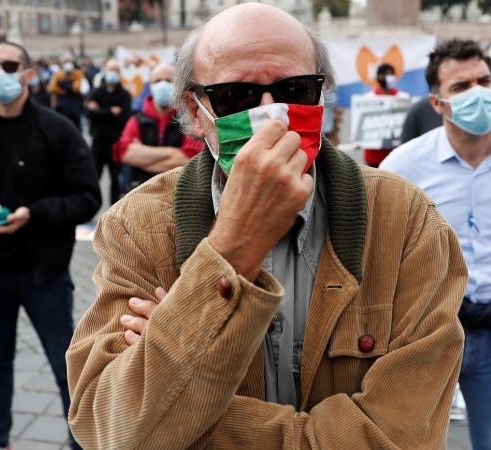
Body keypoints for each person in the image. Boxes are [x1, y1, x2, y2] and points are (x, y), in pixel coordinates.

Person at [66, 4, 468, 449]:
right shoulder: (137, 226)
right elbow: (107, 425)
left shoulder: (407, 219)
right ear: (195, 113)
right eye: (236, 96)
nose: (270, 113)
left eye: (295, 89)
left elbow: (396, 438)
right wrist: (233, 247)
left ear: (321, 97)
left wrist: (181, 388)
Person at [381, 39, 491, 449]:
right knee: (410, 441)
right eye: (461, 86)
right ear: (437, 104)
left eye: (484, 80)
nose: (478, 92)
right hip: (424, 333)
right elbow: (383, 251)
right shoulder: (401, 168)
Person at [0, 42, 101, 450]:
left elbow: (88, 197)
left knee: (68, 366)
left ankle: (80, 442)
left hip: (43, 272)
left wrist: (35, 213)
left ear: (28, 73)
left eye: (10, 65)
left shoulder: (56, 128)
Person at [112, 63, 202, 192]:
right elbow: (125, 153)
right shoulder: (137, 120)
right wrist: (174, 152)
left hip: (179, 193)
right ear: (151, 85)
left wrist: (142, 159)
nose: (163, 85)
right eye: (158, 81)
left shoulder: (188, 119)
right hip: (141, 194)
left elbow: (190, 159)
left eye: (168, 80)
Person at [85, 59, 132, 204]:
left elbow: (124, 116)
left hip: (115, 141)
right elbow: (89, 113)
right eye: (111, 69)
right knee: (94, 176)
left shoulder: (124, 94)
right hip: (98, 140)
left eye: (116, 70)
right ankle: (89, 204)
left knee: (115, 178)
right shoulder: (97, 92)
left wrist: (100, 111)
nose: (113, 73)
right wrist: (111, 111)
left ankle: (114, 208)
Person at [362, 63, 410, 167]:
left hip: (395, 154)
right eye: (384, 74)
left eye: (391, 74)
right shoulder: (368, 99)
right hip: (373, 155)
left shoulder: (404, 98)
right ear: (378, 77)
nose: (388, 77)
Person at [48, 56, 89, 128]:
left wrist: (62, 84)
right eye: (65, 62)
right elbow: (52, 87)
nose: (68, 63)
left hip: (74, 104)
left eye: (69, 61)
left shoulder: (78, 73)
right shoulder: (58, 74)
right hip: (61, 105)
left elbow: (77, 88)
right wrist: (65, 89)